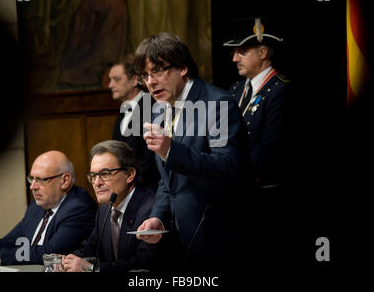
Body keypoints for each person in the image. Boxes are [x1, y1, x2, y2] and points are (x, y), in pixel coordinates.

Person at [133, 33, 250, 268]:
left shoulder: (218, 104)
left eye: (157, 71)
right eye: (145, 75)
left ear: (183, 68)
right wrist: (158, 216)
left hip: (217, 236)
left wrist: (170, 149)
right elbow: (169, 181)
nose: (150, 81)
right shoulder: (159, 111)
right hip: (179, 239)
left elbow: (228, 166)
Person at [0, 151, 97, 265]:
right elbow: (12, 241)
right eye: (32, 179)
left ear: (65, 181)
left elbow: (48, 253)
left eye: (41, 180)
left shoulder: (79, 208)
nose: (33, 187)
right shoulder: (37, 206)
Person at [62, 141, 165, 272]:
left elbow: (143, 264)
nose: (97, 183)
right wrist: (66, 262)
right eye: (93, 176)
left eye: (105, 174)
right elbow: (91, 247)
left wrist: (90, 268)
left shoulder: (151, 210)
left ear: (129, 174)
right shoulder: (104, 209)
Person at [224, 17, 293, 187]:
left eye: (242, 52)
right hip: (235, 184)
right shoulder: (236, 89)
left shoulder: (280, 90)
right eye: (234, 53)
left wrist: (235, 174)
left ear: (262, 53)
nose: (234, 59)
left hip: (265, 186)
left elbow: (271, 146)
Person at [109, 55, 160, 192]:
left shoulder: (151, 105)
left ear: (134, 80)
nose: (110, 85)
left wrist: (129, 183)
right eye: (110, 80)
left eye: (116, 79)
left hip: (148, 190)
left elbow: (151, 157)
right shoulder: (123, 111)